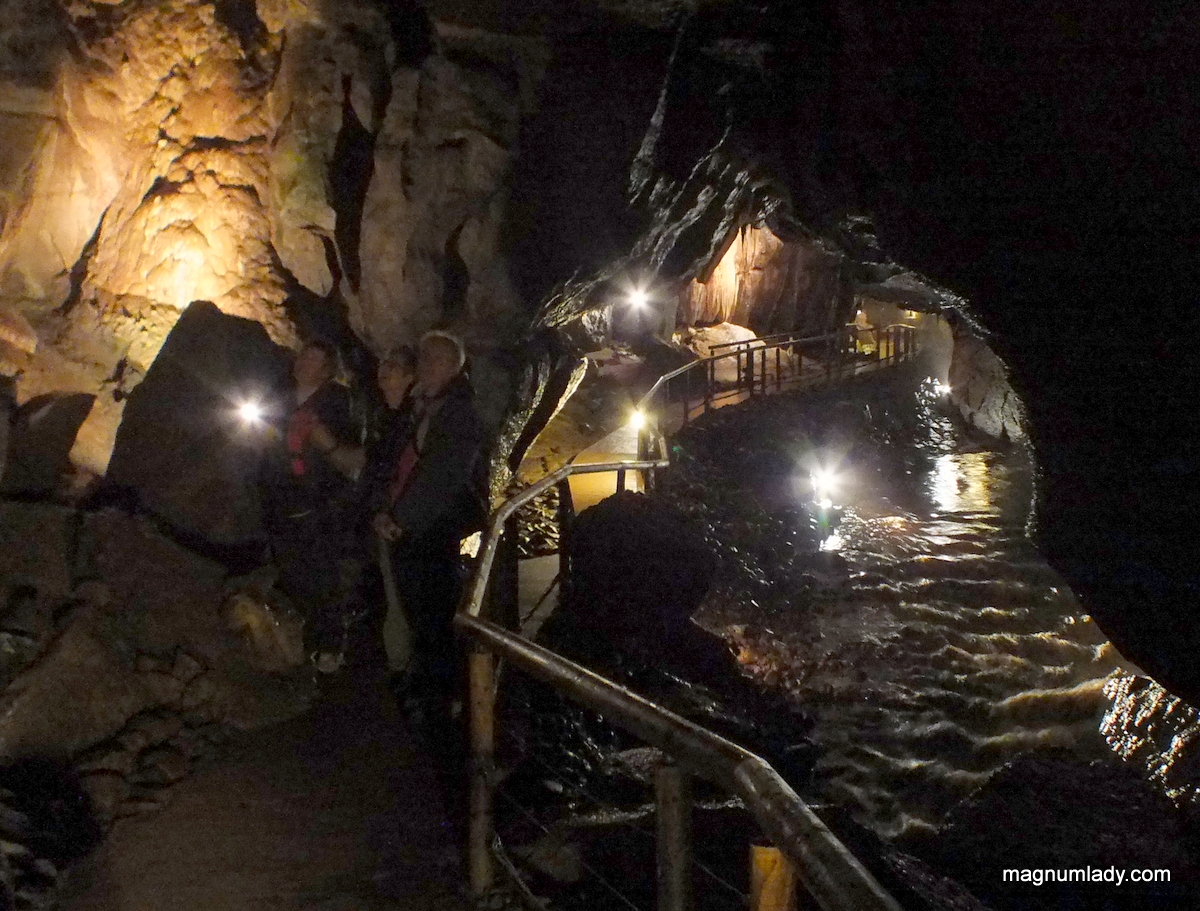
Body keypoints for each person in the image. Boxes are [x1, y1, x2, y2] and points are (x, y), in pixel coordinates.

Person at [372, 331, 483, 711]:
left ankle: (443, 699)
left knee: (434, 612)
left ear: (454, 366)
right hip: (413, 525)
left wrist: (399, 518)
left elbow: (442, 475)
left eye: (435, 360)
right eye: (423, 359)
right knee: (418, 611)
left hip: (431, 528)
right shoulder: (426, 406)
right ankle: (431, 689)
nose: (425, 366)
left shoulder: (459, 412)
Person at [259, 340, 357, 673]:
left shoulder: (338, 402)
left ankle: (329, 643)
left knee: (321, 571)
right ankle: (296, 637)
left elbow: (345, 449)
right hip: (279, 493)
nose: (303, 362)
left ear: (327, 370)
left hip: (318, 498)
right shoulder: (280, 393)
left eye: (313, 359)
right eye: (303, 355)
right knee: (289, 566)